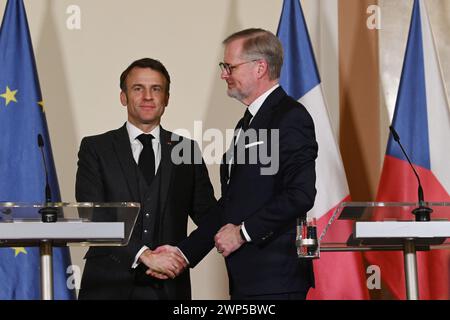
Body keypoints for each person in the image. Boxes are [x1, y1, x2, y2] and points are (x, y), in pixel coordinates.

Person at [163, 28, 318, 300]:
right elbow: (232, 202)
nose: (224, 74)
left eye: (229, 66)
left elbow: (300, 194)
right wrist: (183, 252)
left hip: (276, 280)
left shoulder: (290, 117)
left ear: (260, 67)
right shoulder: (245, 124)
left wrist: (243, 233)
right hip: (247, 280)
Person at [75, 57, 216, 300]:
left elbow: (210, 217)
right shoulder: (96, 148)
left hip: (169, 288)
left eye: (156, 89)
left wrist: (183, 255)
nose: (148, 96)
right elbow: (92, 215)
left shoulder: (186, 150)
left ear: (167, 99)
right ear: (123, 97)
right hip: (107, 286)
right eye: (138, 88)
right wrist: (143, 254)